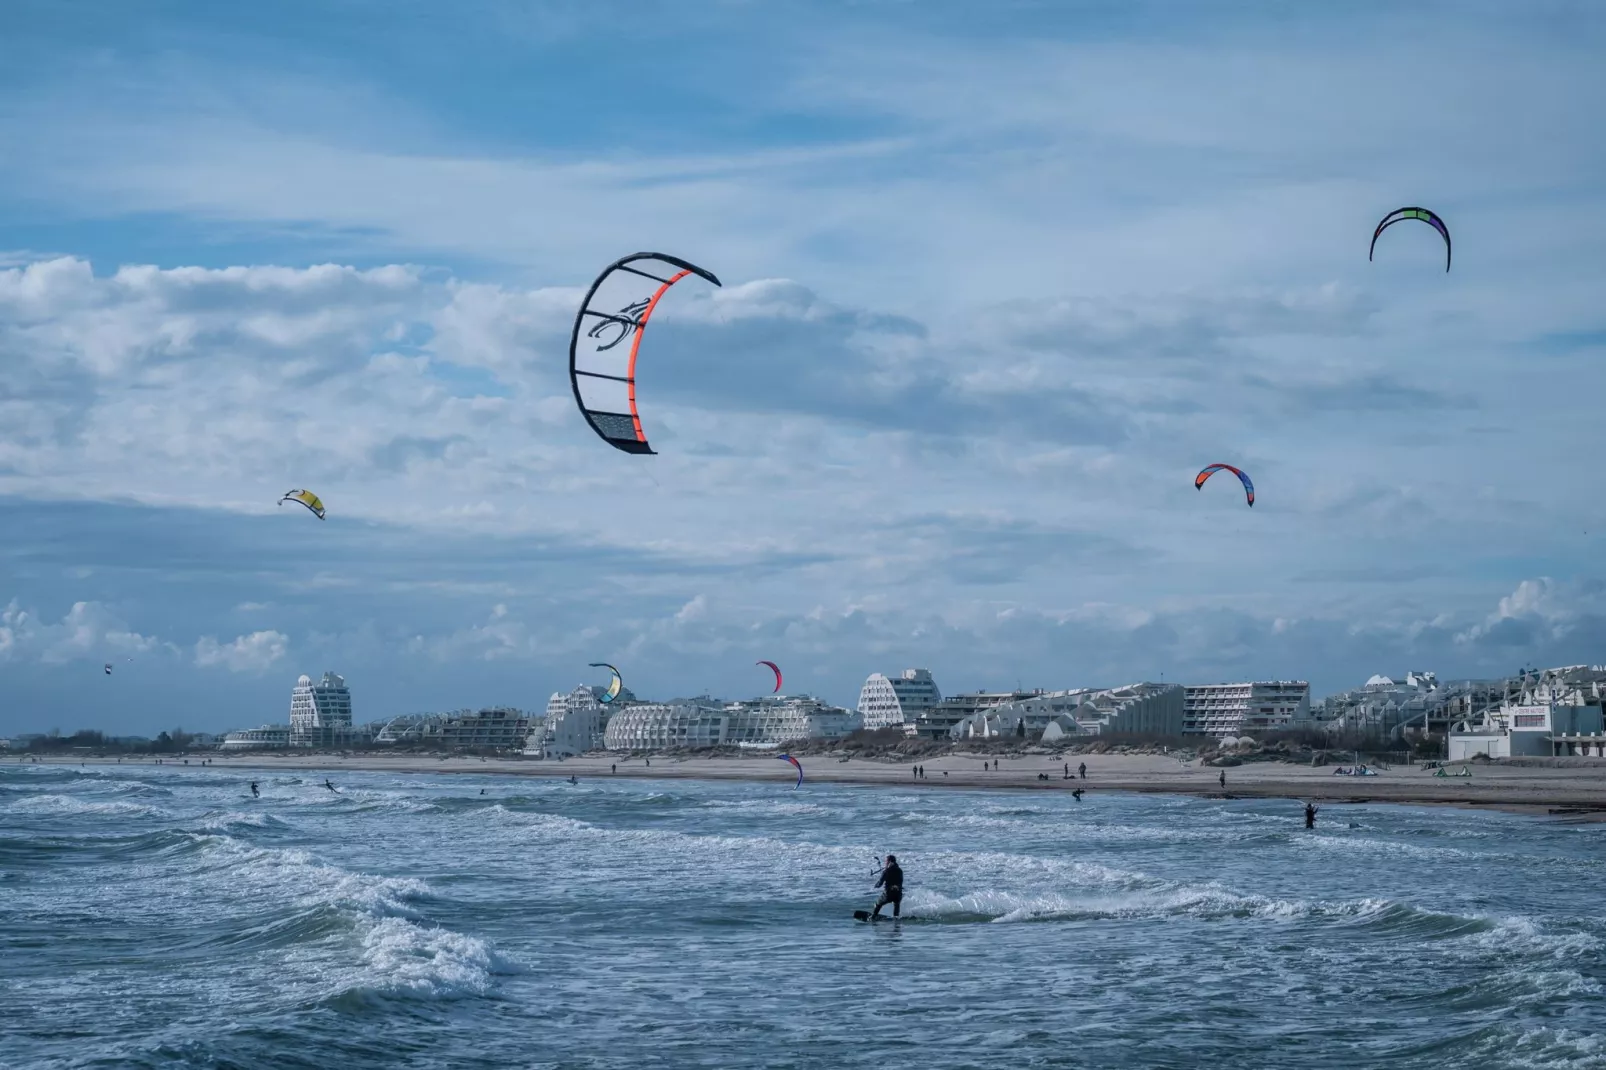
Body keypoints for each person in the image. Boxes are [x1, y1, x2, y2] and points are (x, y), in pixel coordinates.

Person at [871, 854, 904, 920]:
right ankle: (896, 919)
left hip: (888, 894)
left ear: (889, 861)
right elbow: (900, 881)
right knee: (896, 904)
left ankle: (873, 917)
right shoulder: (900, 870)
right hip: (898, 893)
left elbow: (880, 883)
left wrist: (876, 885)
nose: (885, 863)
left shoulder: (886, 871)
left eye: (886, 861)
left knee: (878, 904)